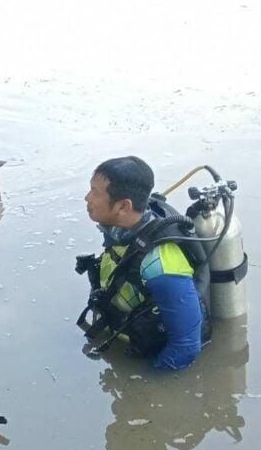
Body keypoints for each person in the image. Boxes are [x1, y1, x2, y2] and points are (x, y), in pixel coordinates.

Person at [78, 156, 205, 370]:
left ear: (123, 206)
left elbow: (186, 348)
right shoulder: (122, 231)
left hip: (139, 354)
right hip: (117, 334)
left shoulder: (162, 266)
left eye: (95, 192)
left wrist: (143, 391)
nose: (87, 197)